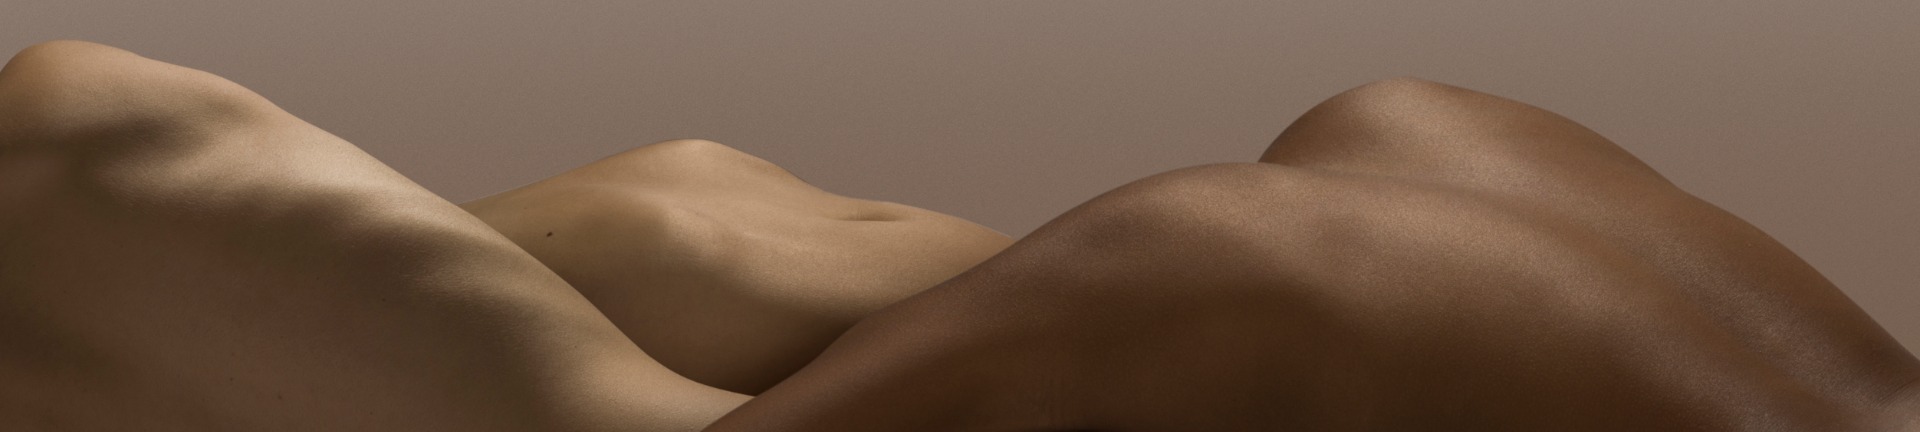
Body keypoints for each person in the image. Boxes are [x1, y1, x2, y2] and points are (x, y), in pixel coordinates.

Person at [0, 40, 1913, 431]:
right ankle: (94, 179)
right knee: (70, 196)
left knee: (721, 272)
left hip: (1447, 221)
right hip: (1287, 282)